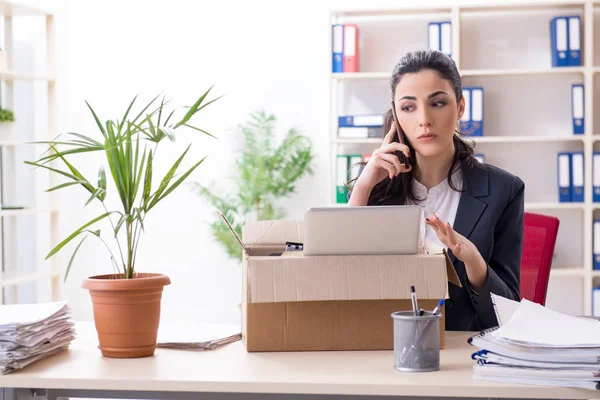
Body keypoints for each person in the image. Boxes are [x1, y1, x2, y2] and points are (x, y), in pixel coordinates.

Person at [348, 49, 524, 332]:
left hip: (463, 351)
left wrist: (474, 262)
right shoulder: (373, 185)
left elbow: (508, 315)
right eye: (408, 107)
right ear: (395, 115)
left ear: (460, 107)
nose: (424, 119)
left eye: (438, 103)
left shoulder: (504, 190)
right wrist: (364, 187)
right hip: (381, 345)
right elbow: (340, 282)